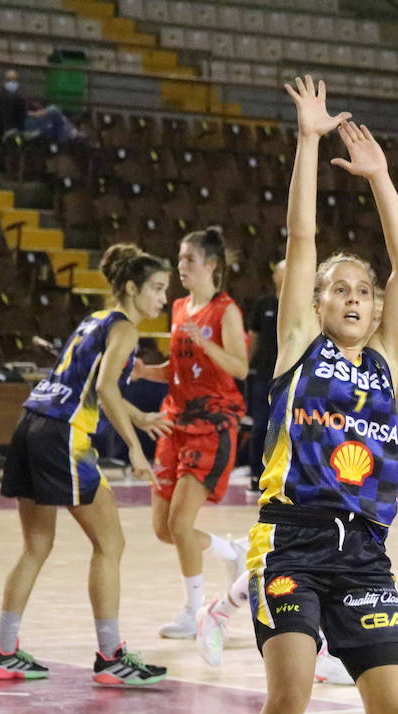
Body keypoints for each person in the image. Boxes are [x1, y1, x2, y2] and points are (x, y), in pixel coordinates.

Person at [220, 77, 398, 714]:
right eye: (338, 287)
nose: (352, 297)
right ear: (315, 302)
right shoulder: (298, 346)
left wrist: (379, 179)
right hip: (292, 538)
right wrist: (307, 141)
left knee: (397, 711)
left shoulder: (387, 360)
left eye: (362, 291)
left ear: (376, 311)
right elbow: (300, 235)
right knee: (291, 691)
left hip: (365, 553)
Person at [195, 360, 398, 672]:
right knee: (292, 564)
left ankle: (224, 608)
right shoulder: (315, 357)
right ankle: (237, 617)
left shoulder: (381, 367)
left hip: (355, 489)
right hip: (309, 478)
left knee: (319, 563)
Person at [0, 243, 173, 686]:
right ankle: (111, 657)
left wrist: (140, 416)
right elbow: (105, 389)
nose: (163, 299)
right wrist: (134, 446)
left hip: (32, 422)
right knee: (111, 544)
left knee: (36, 545)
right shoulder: (125, 328)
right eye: (158, 289)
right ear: (132, 288)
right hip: (64, 437)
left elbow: (90, 385)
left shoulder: (96, 319)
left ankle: (3, 651)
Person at [132, 227, 249, 641]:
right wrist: (149, 372)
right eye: (180, 259)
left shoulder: (226, 311)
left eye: (189, 260)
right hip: (174, 422)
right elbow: (178, 368)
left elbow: (239, 368)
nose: (181, 266)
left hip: (212, 425)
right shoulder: (179, 306)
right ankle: (230, 552)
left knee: (181, 524)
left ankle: (194, 612)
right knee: (164, 530)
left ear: (211, 265)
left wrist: (207, 343)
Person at [244, 260, 285, 490]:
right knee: (260, 425)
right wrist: (247, 365)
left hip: (288, 375)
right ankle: (255, 475)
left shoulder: (302, 305)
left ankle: (280, 476)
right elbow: (254, 338)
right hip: (263, 374)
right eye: (282, 270)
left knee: (284, 427)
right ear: (275, 276)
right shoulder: (264, 304)